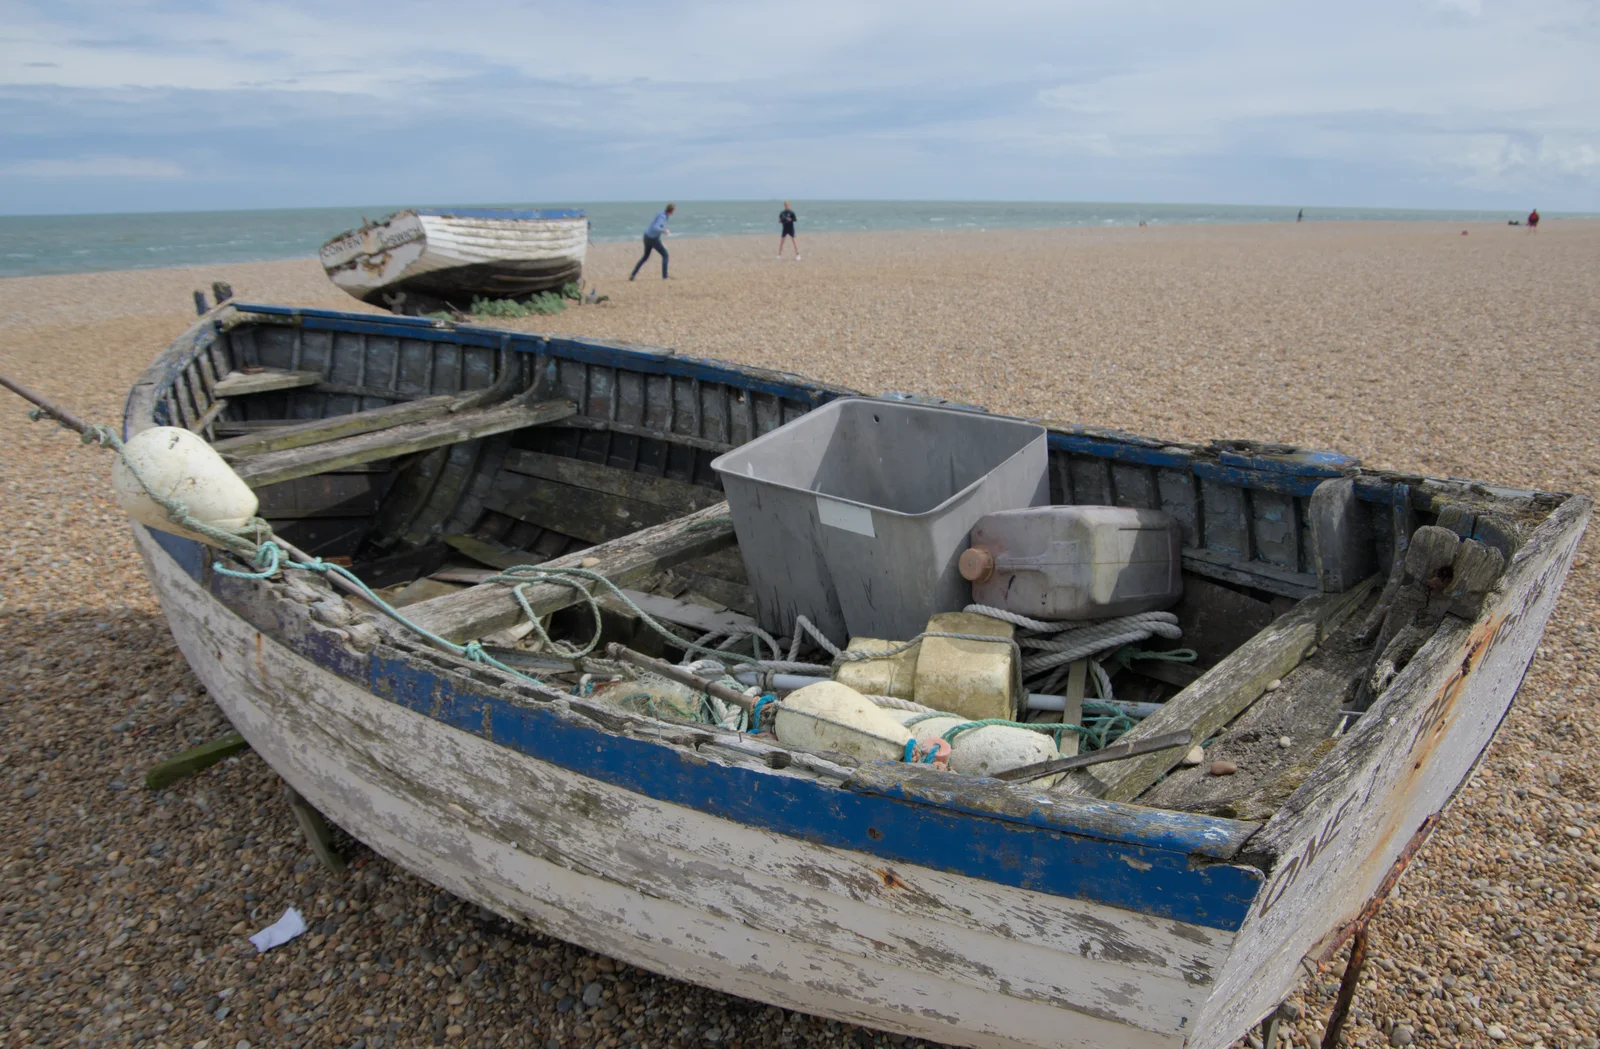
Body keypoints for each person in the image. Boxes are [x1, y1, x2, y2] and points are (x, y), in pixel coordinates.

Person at [630, 204, 675, 280]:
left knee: (645, 257)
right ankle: (665, 277)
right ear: (671, 211)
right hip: (653, 239)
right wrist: (664, 230)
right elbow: (656, 227)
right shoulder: (663, 217)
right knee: (665, 255)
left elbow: (655, 224)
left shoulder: (661, 213)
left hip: (646, 236)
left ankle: (633, 275)